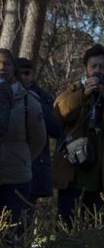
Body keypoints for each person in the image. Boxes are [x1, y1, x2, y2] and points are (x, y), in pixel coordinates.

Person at [52, 44, 104, 230]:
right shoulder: (73, 91)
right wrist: (83, 95)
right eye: (93, 66)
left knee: (100, 234)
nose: (97, 71)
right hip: (72, 177)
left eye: (102, 67)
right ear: (85, 69)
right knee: (67, 231)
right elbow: (58, 113)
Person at [0, 49, 44, 244]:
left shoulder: (28, 101)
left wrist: (22, 160)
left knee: (13, 236)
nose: (2, 67)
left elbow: (39, 140)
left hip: (17, 179)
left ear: (14, 69)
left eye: (7, 63)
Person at [16, 57, 61, 209]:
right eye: (19, 74)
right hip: (9, 167)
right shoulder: (6, 95)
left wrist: (33, 101)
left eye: (27, 73)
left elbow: (56, 128)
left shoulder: (43, 97)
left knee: (25, 218)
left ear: (33, 74)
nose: (23, 77)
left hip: (35, 167)